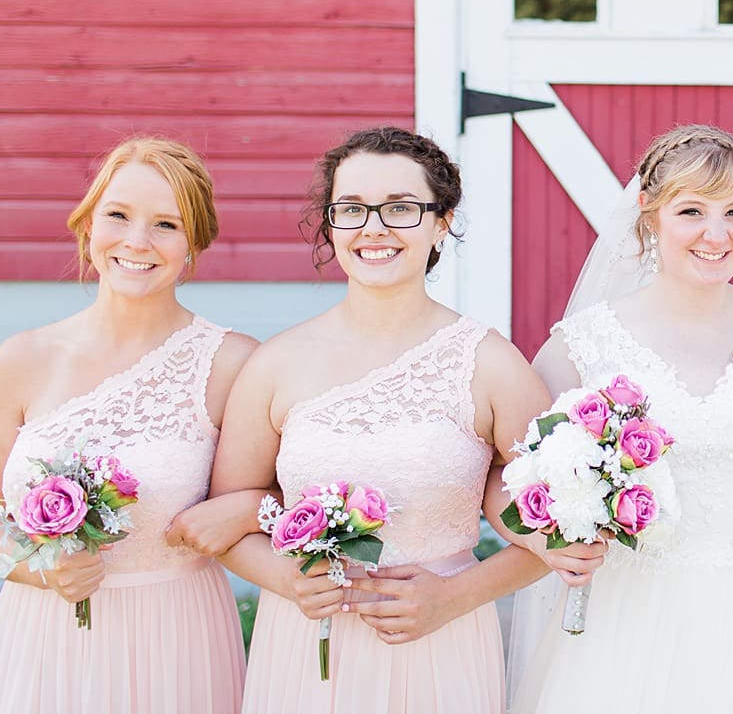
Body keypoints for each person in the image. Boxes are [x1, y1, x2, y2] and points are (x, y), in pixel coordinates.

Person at [506, 124, 733, 714]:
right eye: (691, 210)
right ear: (649, 212)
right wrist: (550, 543)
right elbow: (513, 477)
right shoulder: (583, 346)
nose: (715, 234)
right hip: (630, 616)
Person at [209, 126, 550, 714]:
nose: (374, 227)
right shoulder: (276, 364)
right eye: (352, 209)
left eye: (400, 208)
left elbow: (562, 529)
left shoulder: (491, 363)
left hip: (441, 644)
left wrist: (455, 595)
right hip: (306, 645)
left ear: (441, 221)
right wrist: (287, 579)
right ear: (331, 223)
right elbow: (228, 521)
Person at [0, 137, 258, 714]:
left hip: (176, 638)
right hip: (44, 637)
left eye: (166, 224)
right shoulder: (21, 358)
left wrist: (245, 509)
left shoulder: (231, 363)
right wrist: (41, 571)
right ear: (87, 224)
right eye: (118, 215)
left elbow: (272, 494)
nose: (137, 242)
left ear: (194, 243)